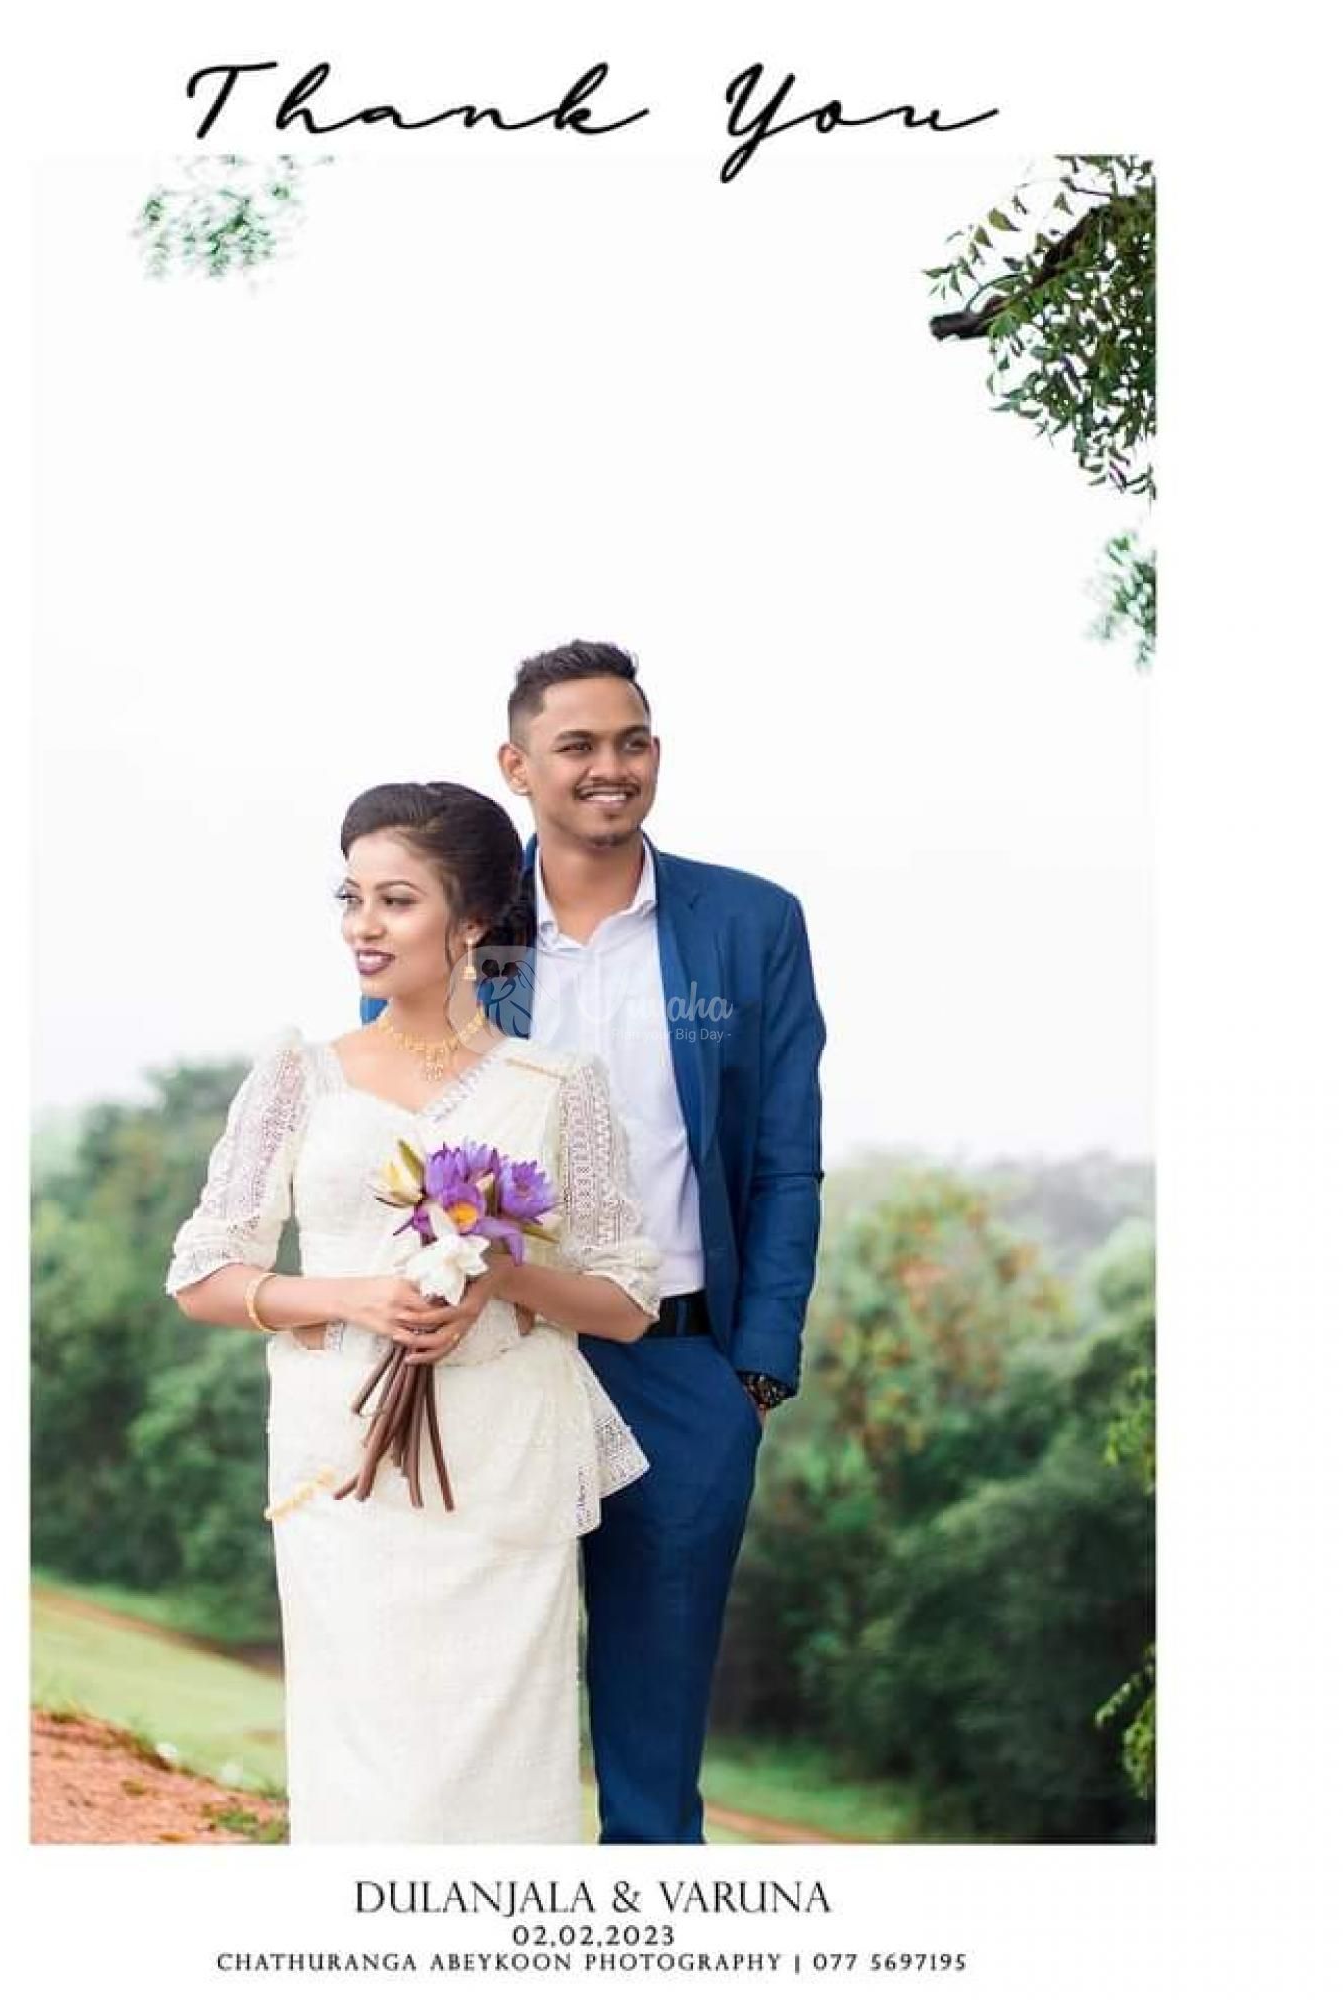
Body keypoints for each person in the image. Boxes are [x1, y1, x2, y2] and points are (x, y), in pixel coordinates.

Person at [365, 641, 826, 1843]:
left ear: (655, 754)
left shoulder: (752, 924)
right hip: (491, 1354)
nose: (609, 766)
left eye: (631, 741)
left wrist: (754, 1368)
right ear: (517, 765)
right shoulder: (462, 926)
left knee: (655, 1743)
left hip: (681, 1364)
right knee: (472, 1694)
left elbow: (784, 1158)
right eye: (576, 744)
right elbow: (390, 1129)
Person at [165, 781, 659, 1843]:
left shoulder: (558, 1085)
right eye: (351, 897)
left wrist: (500, 1276)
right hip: (341, 1463)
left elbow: (625, 1302)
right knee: (366, 1770)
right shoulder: (301, 1075)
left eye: (396, 901)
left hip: (505, 1468)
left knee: (499, 1769)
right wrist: (353, 1296)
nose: (363, 925)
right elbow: (204, 1273)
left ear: (471, 921)